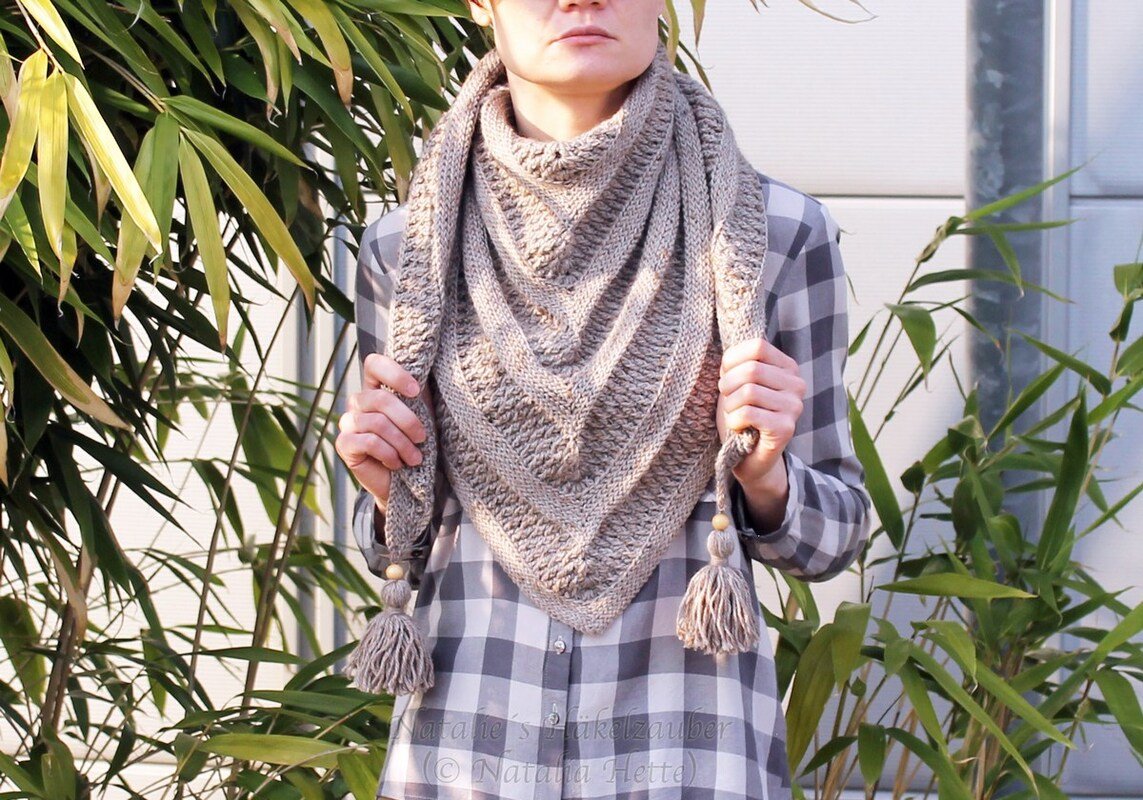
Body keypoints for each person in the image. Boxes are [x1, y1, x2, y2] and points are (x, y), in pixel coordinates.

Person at [334, 1, 873, 797]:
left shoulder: (776, 233)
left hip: (685, 754)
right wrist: (387, 492)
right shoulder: (407, 248)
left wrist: (766, 478)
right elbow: (394, 552)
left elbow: (832, 538)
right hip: (469, 756)